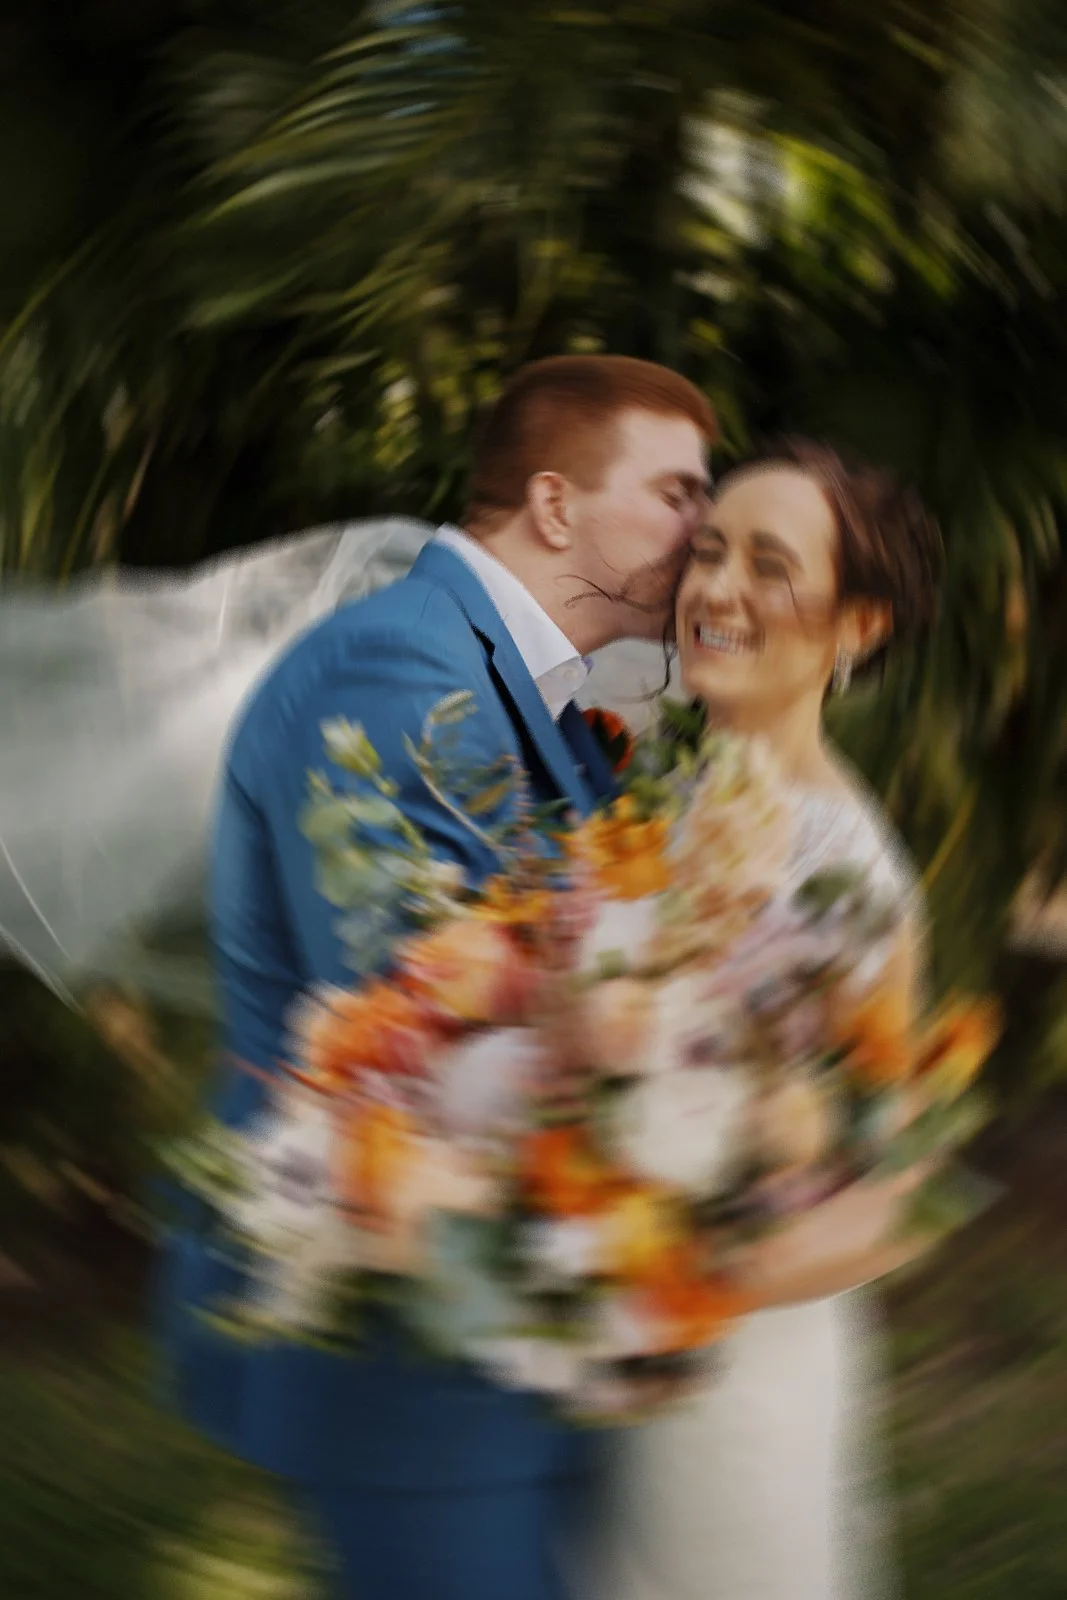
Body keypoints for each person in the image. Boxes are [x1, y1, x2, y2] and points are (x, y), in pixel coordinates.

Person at [158, 354, 718, 1600]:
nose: (705, 529)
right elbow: (434, 1025)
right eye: (677, 494)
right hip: (408, 1346)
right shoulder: (403, 674)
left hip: (518, 1315)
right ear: (556, 504)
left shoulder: (527, 695)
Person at [595, 438, 942, 1600]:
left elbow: (891, 1197)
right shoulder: (655, 779)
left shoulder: (861, 887)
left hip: (725, 1394)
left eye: (770, 564)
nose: (717, 588)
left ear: (856, 628)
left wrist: (688, 1274)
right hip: (583, 1351)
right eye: (707, 551)